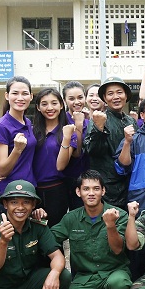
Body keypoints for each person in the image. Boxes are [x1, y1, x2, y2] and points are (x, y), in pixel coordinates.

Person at [51, 171, 133, 289]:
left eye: (96, 188)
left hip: (113, 271)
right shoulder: (71, 218)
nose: (91, 193)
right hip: (85, 276)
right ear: (78, 192)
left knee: (120, 284)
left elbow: (118, 249)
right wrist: (39, 222)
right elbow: (49, 239)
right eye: (86, 189)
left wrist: (110, 226)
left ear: (103, 191)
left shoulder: (119, 214)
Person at [84, 77, 136, 208]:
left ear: (126, 95)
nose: (116, 97)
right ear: (105, 98)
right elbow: (92, 150)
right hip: (107, 186)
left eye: (119, 92)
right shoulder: (99, 119)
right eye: (110, 93)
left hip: (128, 183)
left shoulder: (130, 121)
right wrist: (99, 129)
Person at [32, 87, 76, 226]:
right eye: (44, 104)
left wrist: (66, 137)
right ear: (38, 107)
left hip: (57, 190)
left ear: (62, 105)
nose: (49, 108)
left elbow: (60, 165)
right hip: (32, 189)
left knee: (54, 235)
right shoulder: (32, 131)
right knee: (33, 235)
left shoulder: (69, 131)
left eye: (54, 103)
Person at [0, 76, 37, 210]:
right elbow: (4, 169)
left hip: (28, 190)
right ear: (7, 96)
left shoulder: (27, 122)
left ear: (31, 96)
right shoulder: (2, 126)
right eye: (15, 93)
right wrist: (17, 149)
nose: (20, 98)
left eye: (25, 94)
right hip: (8, 194)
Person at [61, 81, 90, 212]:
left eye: (80, 97)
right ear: (64, 100)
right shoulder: (61, 121)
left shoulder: (89, 122)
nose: (76, 102)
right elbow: (76, 153)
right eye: (71, 98)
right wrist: (78, 124)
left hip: (87, 178)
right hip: (65, 179)